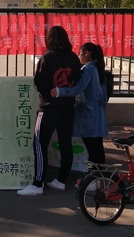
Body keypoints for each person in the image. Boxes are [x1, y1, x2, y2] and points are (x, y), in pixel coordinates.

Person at [17, 25, 81, 197]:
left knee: (39, 144)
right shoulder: (74, 58)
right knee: (65, 143)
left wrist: (48, 93)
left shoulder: (47, 57)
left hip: (48, 107)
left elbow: (39, 81)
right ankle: (61, 181)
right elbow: (77, 81)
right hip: (68, 107)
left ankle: (38, 184)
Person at [51, 42, 108, 166]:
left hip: (89, 115)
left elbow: (78, 88)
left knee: (92, 149)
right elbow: (104, 95)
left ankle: (94, 175)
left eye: (80, 53)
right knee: (98, 146)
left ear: (87, 53)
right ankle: (100, 174)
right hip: (97, 113)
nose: (79, 56)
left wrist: (59, 91)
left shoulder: (88, 69)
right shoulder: (98, 69)